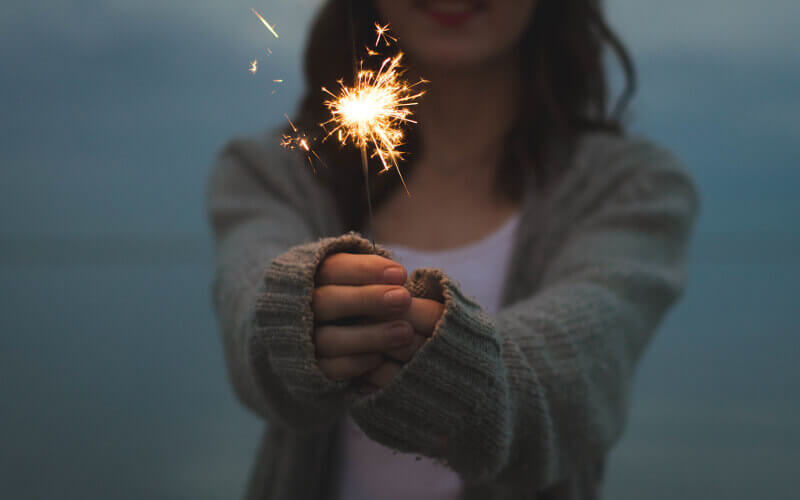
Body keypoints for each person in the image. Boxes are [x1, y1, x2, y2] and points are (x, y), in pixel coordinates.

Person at [206, 0, 700, 498]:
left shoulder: (630, 188)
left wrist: (459, 367)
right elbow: (251, 311)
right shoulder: (275, 172)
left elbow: (584, 368)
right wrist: (296, 315)